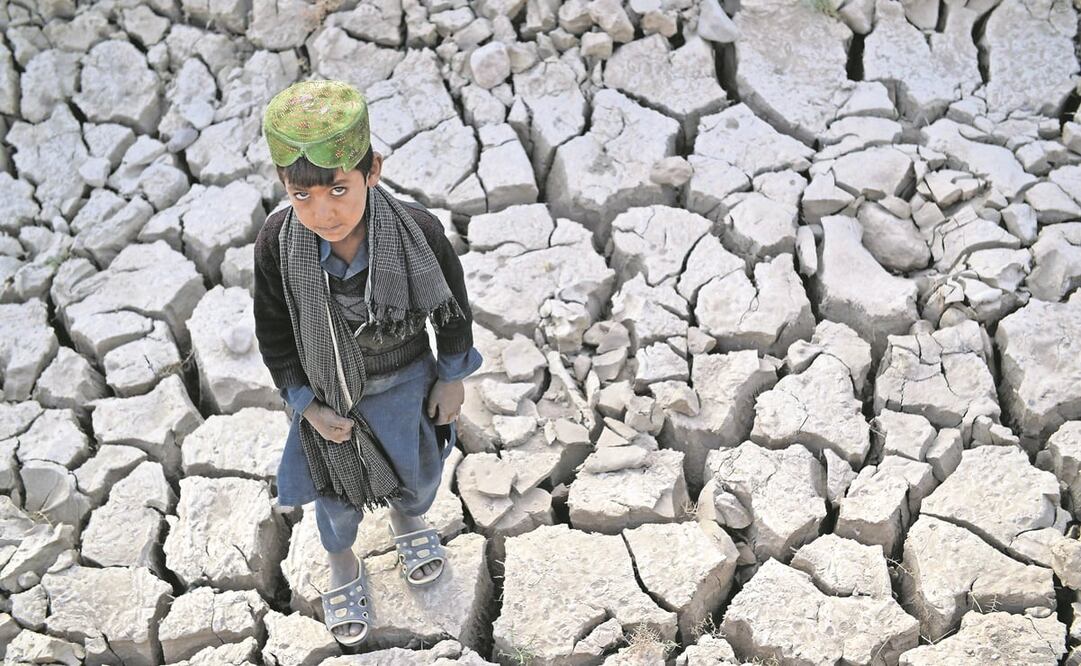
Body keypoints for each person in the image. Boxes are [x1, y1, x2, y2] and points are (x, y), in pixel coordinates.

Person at [252, 79, 482, 644]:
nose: (322, 211)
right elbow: (275, 334)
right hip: (331, 397)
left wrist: (451, 379)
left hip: (406, 381)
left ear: (371, 170)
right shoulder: (278, 245)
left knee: (418, 470)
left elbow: (452, 311)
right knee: (334, 497)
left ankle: (408, 518)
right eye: (300, 195)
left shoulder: (416, 231)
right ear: (284, 186)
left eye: (337, 189)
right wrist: (306, 407)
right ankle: (343, 565)